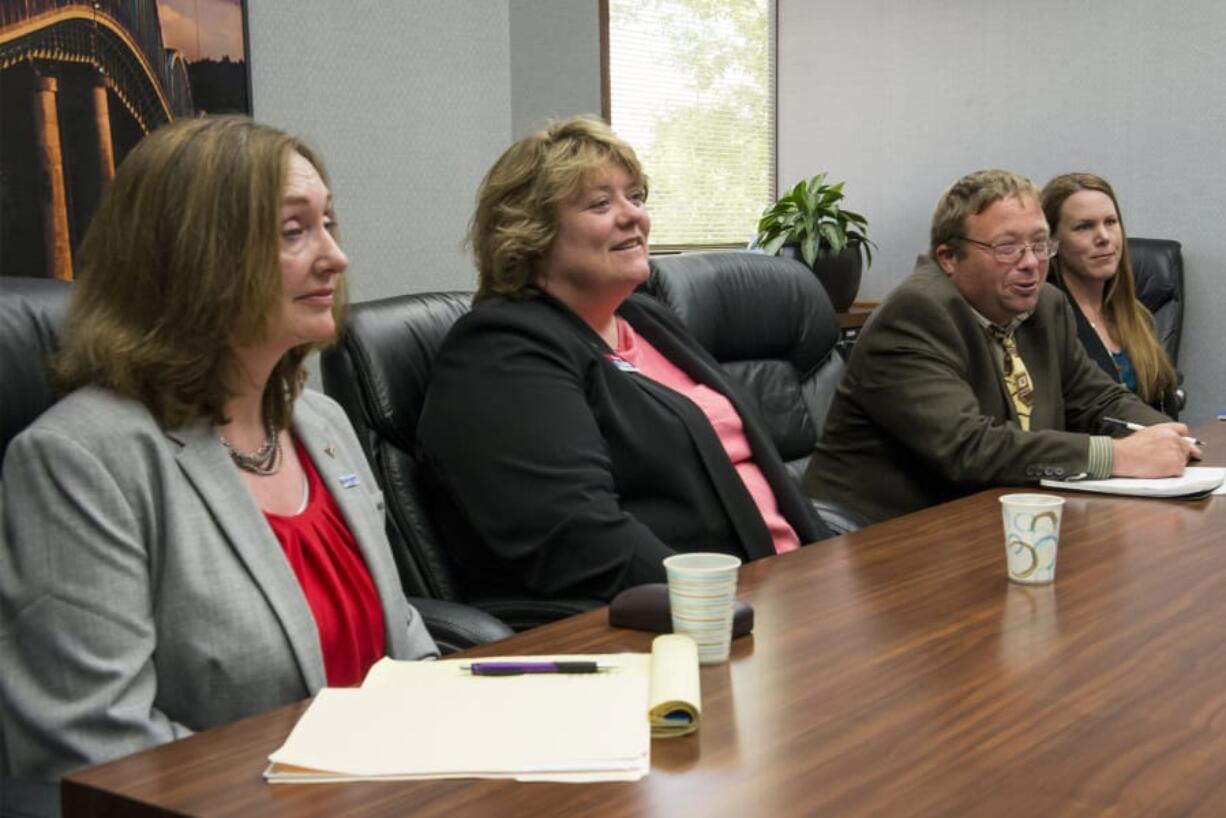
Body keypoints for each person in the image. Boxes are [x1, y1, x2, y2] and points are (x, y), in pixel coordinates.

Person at [0, 116, 437, 816]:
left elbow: (405, 645)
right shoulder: (81, 460)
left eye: (328, 223)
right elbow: (93, 745)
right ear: (193, 256)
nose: (335, 256)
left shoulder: (319, 425)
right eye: (293, 232)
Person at [416, 116, 830, 602]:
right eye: (600, 204)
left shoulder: (645, 317)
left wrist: (829, 567)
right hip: (685, 624)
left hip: (789, 587)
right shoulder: (502, 351)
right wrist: (718, 609)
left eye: (635, 197)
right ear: (531, 232)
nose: (633, 215)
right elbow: (583, 538)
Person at [804, 169, 1196, 525]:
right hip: (882, 537)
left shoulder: (1046, 304)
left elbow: (1098, 400)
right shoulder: (916, 313)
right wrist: (1118, 456)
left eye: (1041, 245)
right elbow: (968, 447)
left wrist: (1173, 439)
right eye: (1007, 247)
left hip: (989, 521)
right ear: (948, 258)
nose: (1031, 263)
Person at [1040, 172, 1181, 416]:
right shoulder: (1045, 320)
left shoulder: (1138, 316)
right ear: (1052, 242)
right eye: (1084, 227)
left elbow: (1163, 403)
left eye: (1111, 222)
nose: (1104, 237)